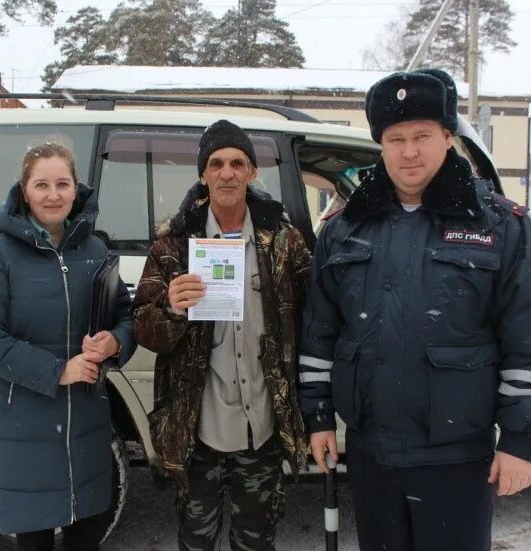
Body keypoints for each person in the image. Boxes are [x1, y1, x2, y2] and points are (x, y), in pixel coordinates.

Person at [298, 69, 531, 551]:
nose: (409, 151)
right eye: (395, 138)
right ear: (380, 145)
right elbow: (320, 333)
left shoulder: (501, 227)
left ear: (448, 137)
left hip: (455, 458)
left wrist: (521, 442)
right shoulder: (343, 230)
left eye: (422, 136)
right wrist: (318, 417)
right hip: (370, 454)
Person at [132, 120, 311, 551]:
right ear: (203, 175)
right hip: (199, 431)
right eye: (216, 163)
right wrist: (173, 307)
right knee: (196, 542)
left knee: (255, 541)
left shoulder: (282, 242)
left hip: (263, 427)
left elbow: (315, 316)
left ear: (252, 172)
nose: (226, 172)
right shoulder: (172, 246)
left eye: (237, 162)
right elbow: (143, 326)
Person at [0, 142, 135, 551]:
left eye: (62, 183)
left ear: (76, 189)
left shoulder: (95, 251)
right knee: (36, 539)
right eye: (42, 184)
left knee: (87, 534)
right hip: (25, 426)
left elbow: (124, 317)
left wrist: (114, 342)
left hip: (87, 429)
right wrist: (59, 370)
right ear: (25, 191)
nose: (53, 194)